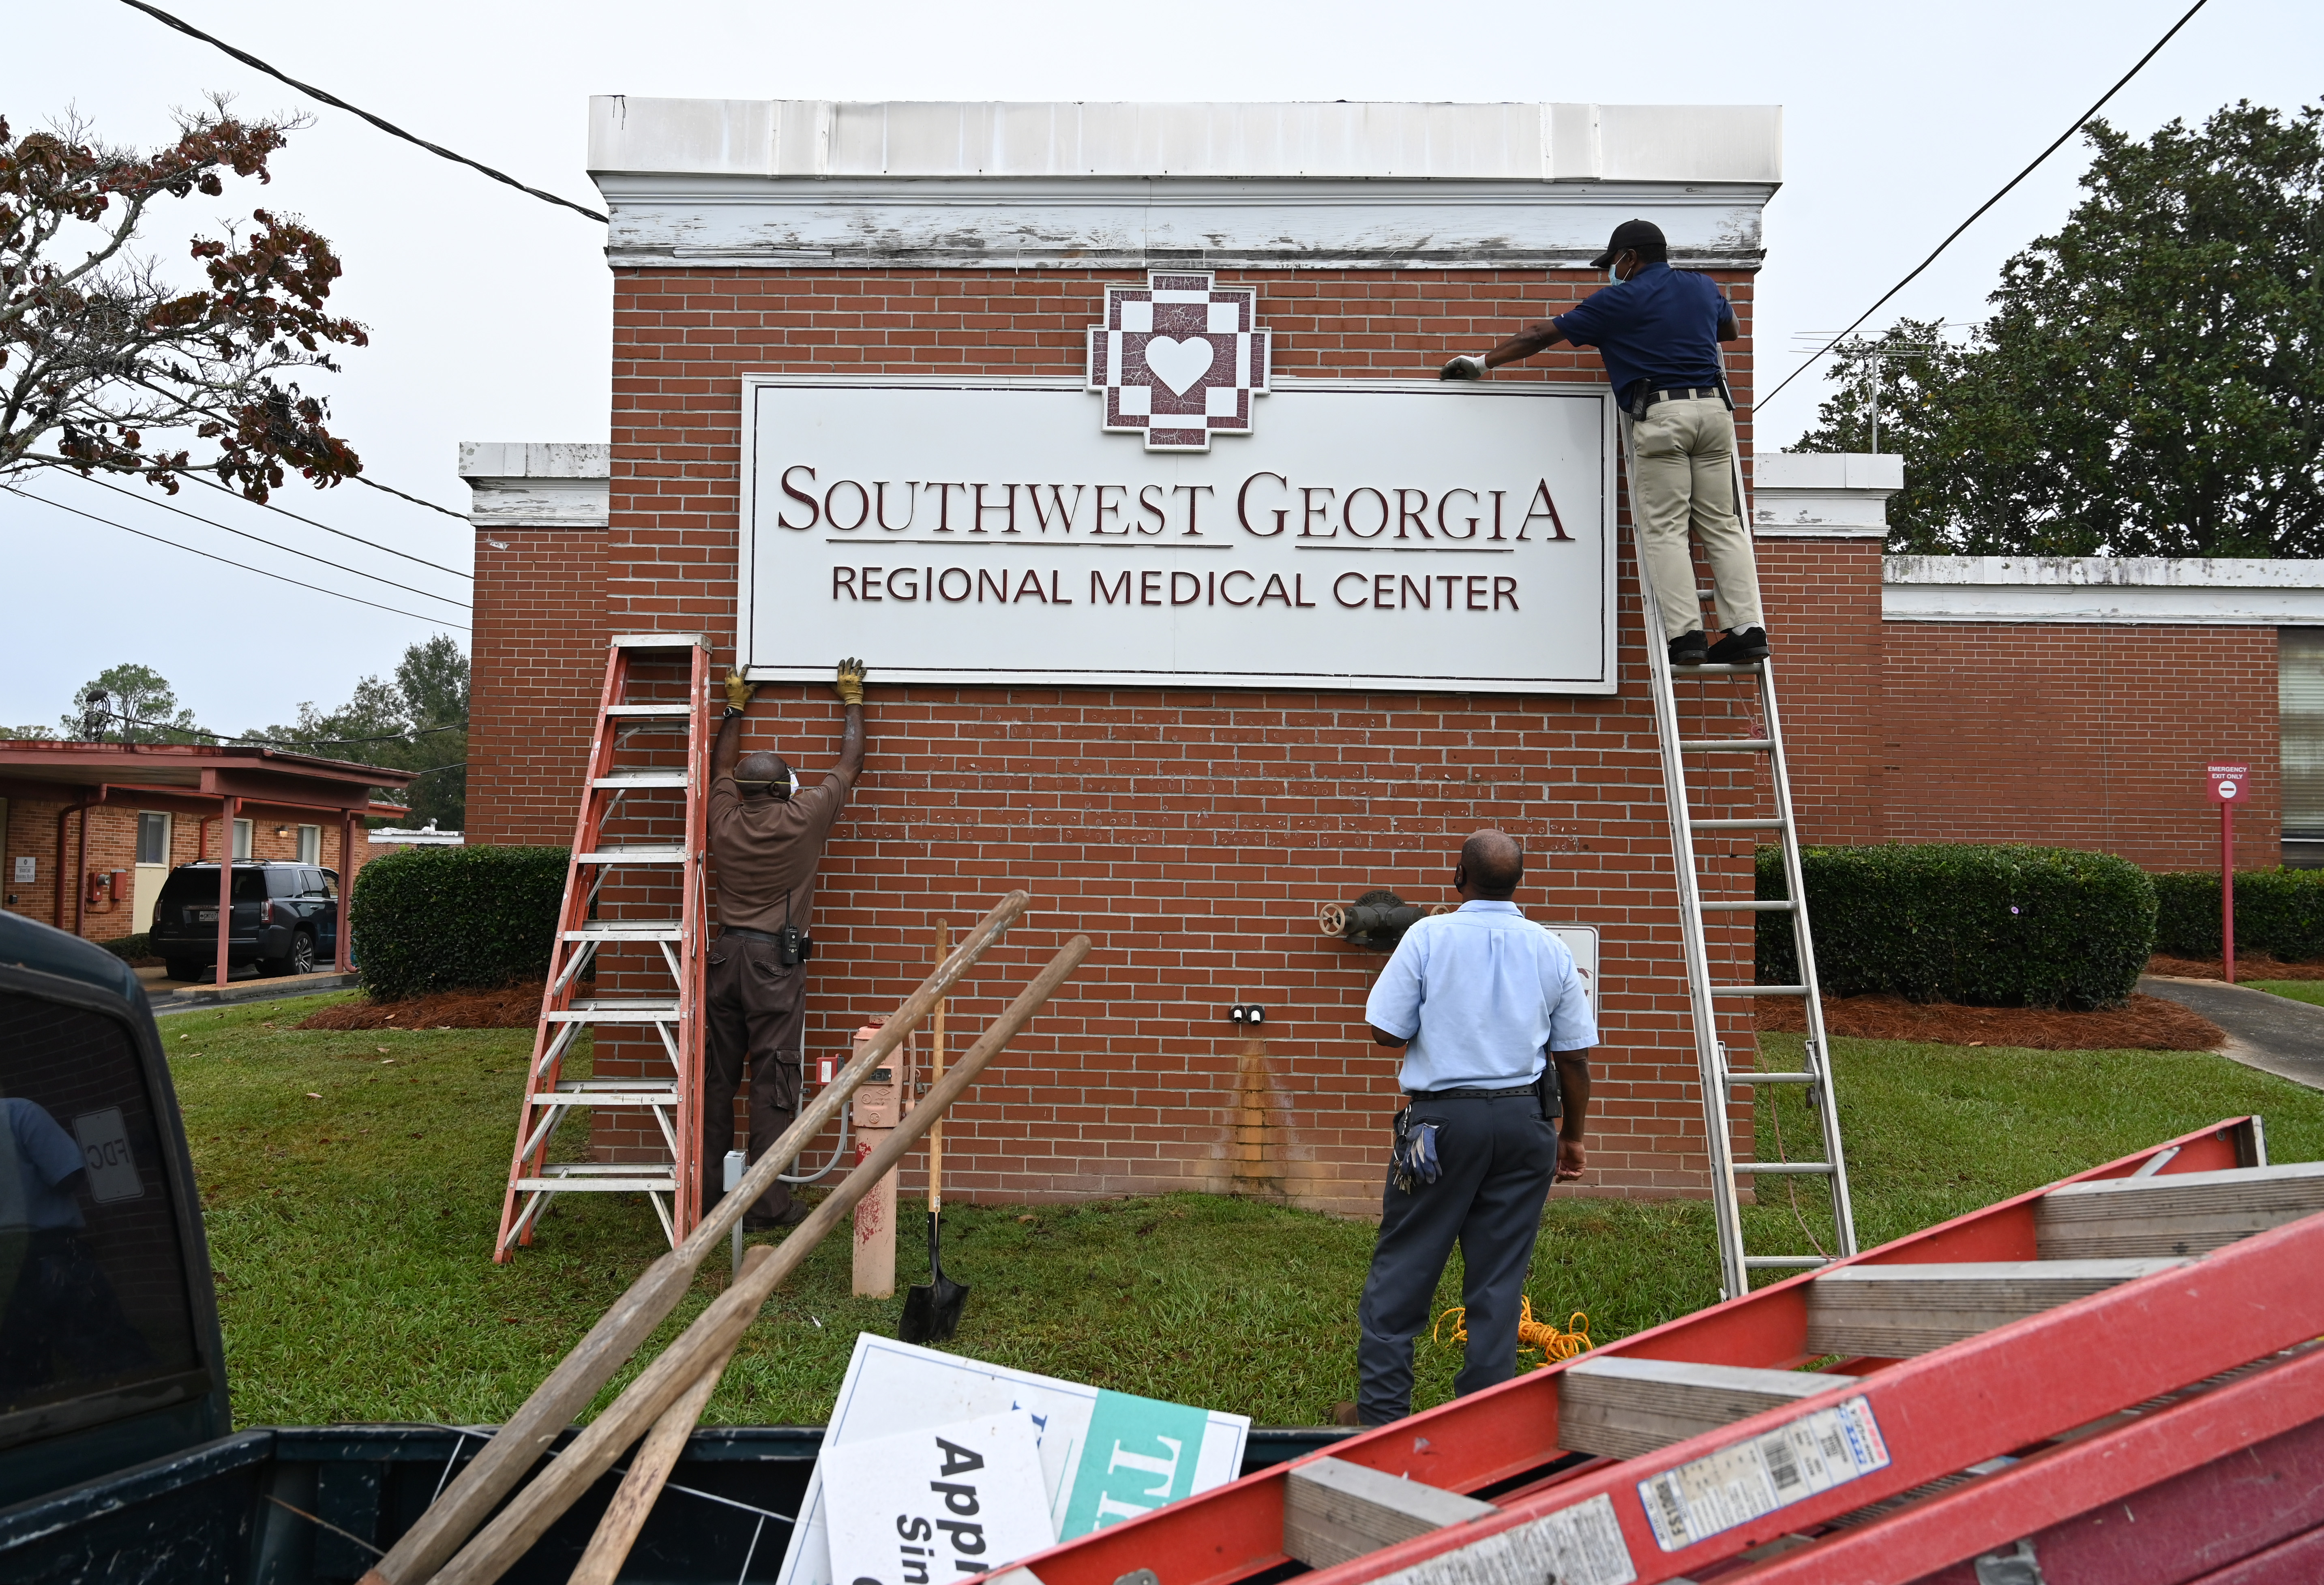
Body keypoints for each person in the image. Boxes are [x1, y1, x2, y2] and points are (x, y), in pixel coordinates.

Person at [1440, 218, 1768, 669]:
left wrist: (1480, 363)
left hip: (1662, 416)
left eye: (1612, 263)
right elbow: (1727, 331)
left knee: (1667, 529)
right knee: (1722, 525)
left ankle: (1687, 636)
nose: (1609, 272)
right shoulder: (1702, 287)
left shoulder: (1618, 300)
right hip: (1714, 415)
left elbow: (1539, 336)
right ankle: (1747, 631)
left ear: (1629, 258)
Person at [1350, 830, 1595, 1427]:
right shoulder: (1549, 949)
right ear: (1519, 882)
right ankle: (1484, 1426)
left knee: (1406, 1263)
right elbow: (1575, 1059)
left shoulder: (1428, 937)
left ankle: (1380, 1416)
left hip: (1439, 1125)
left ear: (1458, 876)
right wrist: (1572, 1136)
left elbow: (1385, 1032)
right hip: (1526, 1123)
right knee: (1499, 1276)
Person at [703, 658, 868, 1229]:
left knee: (717, 1081)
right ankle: (767, 1204)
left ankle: (709, 1199)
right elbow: (851, 763)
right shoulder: (804, 818)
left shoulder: (723, 816)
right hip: (775, 962)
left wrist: (734, 707)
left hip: (725, 958)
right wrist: (852, 700)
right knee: (774, 1083)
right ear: (783, 788)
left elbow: (723, 765)